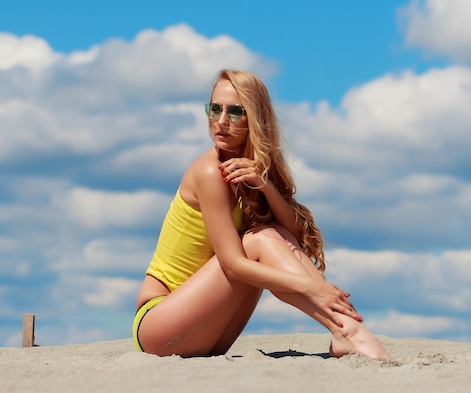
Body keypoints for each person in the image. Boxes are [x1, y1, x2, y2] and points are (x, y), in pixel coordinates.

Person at [133, 69, 389, 360]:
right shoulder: (208, 171)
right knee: (256, 240)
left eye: (235, 112)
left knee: (268, 232)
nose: (221, 122)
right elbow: (232, 266)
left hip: (208, 330)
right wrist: (313, 287)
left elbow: (291, 237)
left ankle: (345, 329)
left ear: (254, 119)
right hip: (158, 325)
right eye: (215, 109)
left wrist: (265, 187)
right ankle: (346, 330)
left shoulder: (251, 172)